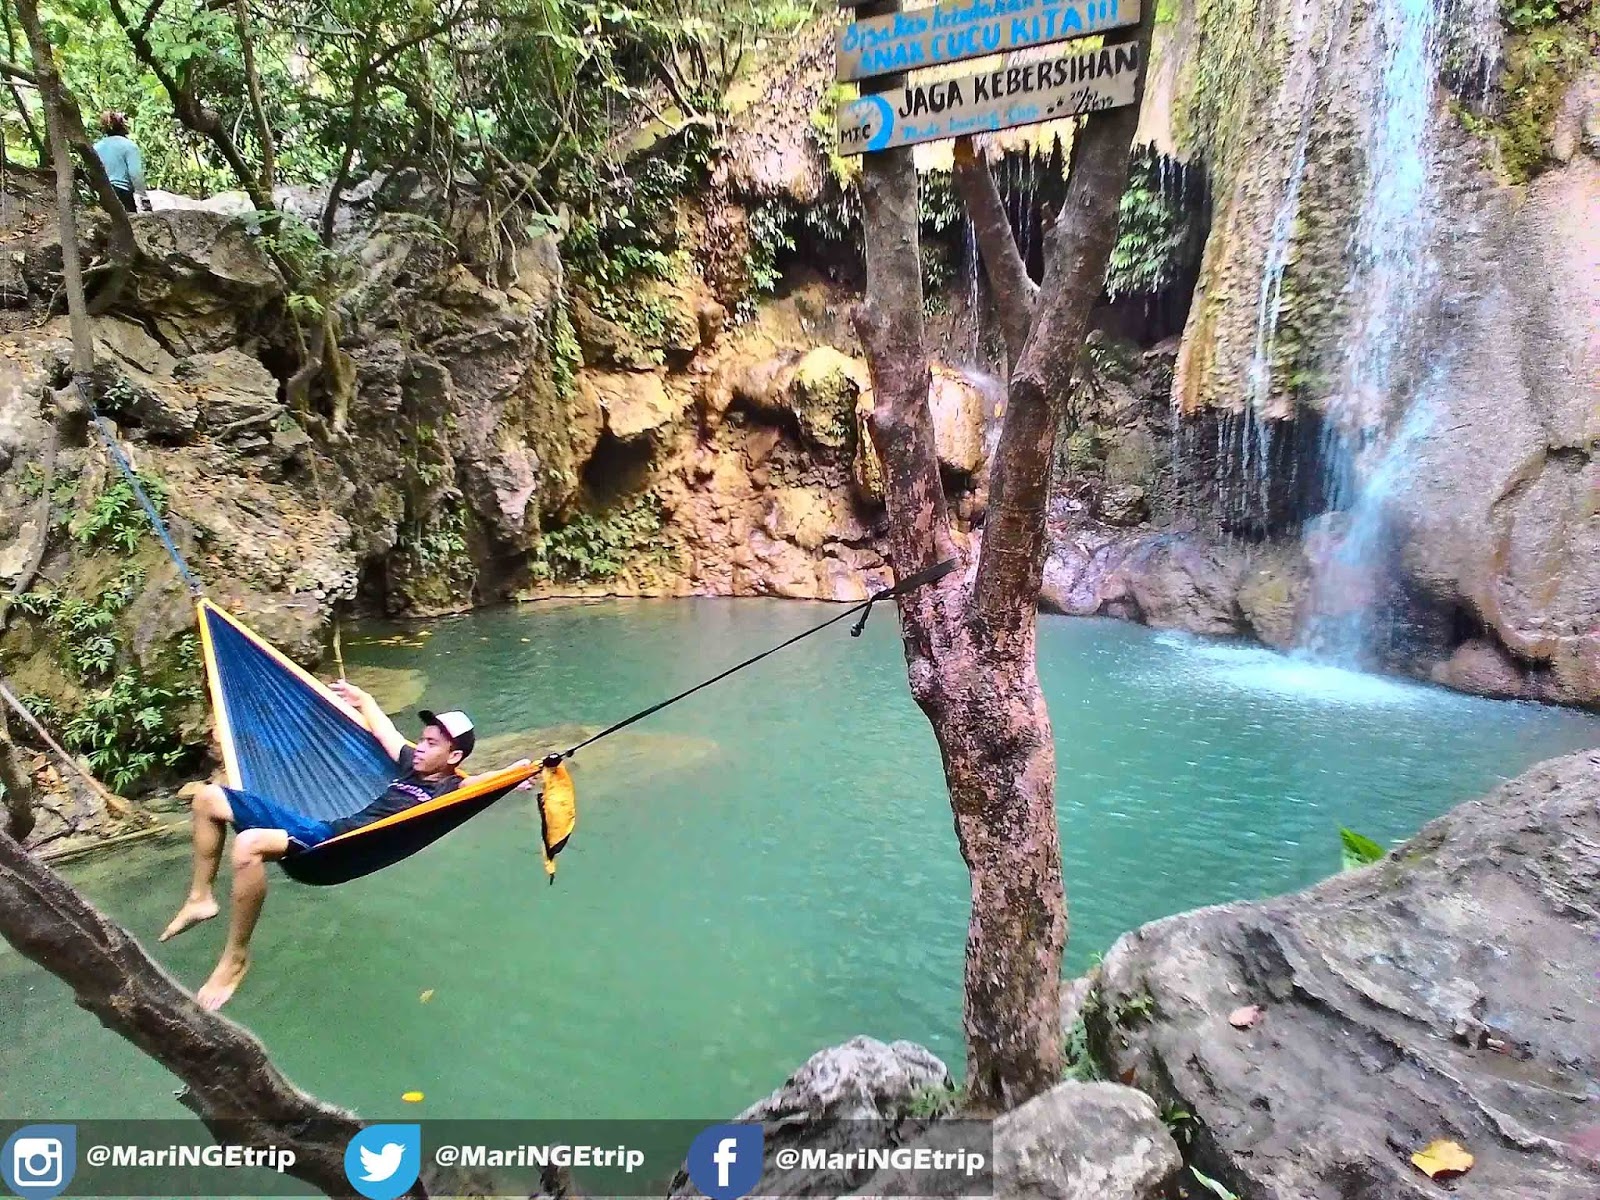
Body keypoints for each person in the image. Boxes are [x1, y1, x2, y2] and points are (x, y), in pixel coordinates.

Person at [160, 686, 518, 1010]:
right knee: (207, 798)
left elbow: (490, 781)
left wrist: (519, 773)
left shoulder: (452, 789)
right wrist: (365, 700)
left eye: (431, 744)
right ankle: (200, 898)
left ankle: (235, 958)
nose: (420, 747)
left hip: (336, 850)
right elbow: (386, 733)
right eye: (422, 740)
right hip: (325, 832)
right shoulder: (412, 765)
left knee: (248, 845)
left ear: (454, 757)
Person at [92, 111, 151, 214]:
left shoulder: (96, 147)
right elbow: (135, 174)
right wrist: (143, 197)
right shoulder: (129, 146)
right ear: (123, 126)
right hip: (122, 194)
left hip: (102, 193)